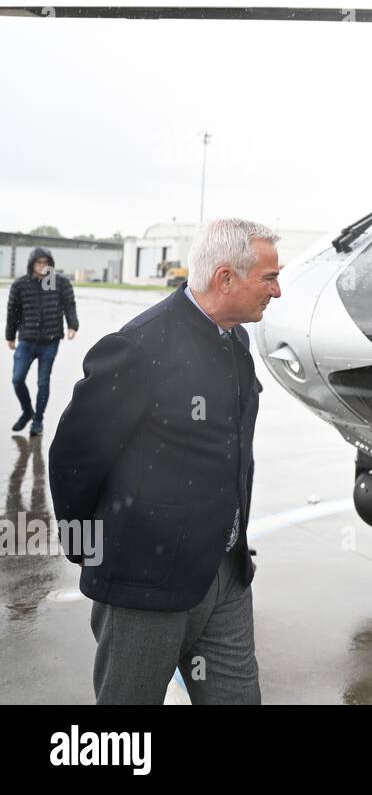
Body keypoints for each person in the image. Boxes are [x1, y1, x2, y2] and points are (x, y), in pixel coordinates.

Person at [49, 219, 281, 705]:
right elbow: (74, 456)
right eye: (268, 278)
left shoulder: (234, 338)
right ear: (225, 279)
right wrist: (88, 547)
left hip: (226, 574)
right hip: (144, 584)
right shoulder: (140, 347)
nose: (276, 291)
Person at [6, 247, 79, 436]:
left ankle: (37, 420)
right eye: (39, 263)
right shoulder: (20, 284)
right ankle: (27, 411)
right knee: (17, 379)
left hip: (50, 340)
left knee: (43, 382)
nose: (42, 266)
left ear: (51, 265)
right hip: (27, 339)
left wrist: (73, 325)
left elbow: (69, 304)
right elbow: (13, 311)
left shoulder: (59, 283)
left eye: (46, 263)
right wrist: (10, 335)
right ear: (32, 264)